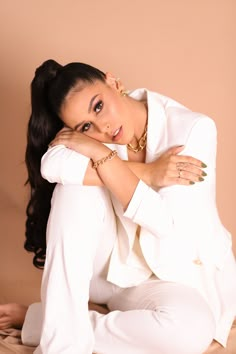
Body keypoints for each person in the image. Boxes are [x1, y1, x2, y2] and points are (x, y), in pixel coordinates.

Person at [1, 59, 236, 354]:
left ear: (113, 82)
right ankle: (63, 345)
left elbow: (165, 223)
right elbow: (52, 164)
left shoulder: (192, 129)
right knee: (73, 189)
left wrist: (104, 160)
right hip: (109, 273)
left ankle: (50, 322)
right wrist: (141, 169)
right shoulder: (94, 141)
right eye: (86, 126)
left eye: (98, 106)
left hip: (171, 275)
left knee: (191, 330)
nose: (104, 127)